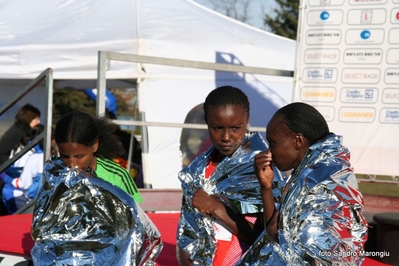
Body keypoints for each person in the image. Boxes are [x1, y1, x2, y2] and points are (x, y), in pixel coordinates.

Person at [237, 102, 368, 265]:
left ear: (297, 141)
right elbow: (274, 234)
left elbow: (282, 241)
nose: (269, 152)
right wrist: (266, 187)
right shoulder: (309, 174)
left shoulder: (319, 181)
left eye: (273, 143)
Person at [176, 86, 283, 265]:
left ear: (247, 120)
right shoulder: (199, 167)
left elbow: (267, 237)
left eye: (235, 128)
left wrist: (215, 208)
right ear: (206, 121)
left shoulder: (261, 166)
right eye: (217, 128)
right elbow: (187, 227)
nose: (226, 136)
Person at [53, 111, 142, 203]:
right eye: (64, 156)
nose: (71, 164)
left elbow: (135, 212)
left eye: (79, 156)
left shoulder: (117, 176)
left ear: (95, 145)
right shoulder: (54, 173)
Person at [1, 124, 46, 214]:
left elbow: (23, 184)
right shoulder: (55, 155)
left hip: (20, 197)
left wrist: (5, 177)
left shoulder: (33, 157)